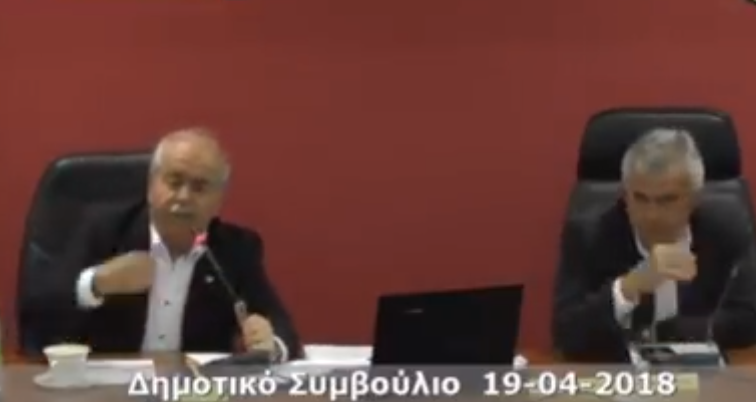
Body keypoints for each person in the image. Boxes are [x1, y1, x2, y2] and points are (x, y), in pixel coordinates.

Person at [19, 128, 302, 360]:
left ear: (219, 200)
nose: (184, 197)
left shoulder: (234, 249)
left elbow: (280, 326)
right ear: (151, 185)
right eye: (174, 182)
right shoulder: (105, 230)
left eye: (200, 187)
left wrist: (271, 344)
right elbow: (39, 319)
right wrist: (95, 284)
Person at [552, 127, 756, 362]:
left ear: (694, 198)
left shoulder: (725, 231)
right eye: (640, 198)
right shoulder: (589, 236)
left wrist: (676, 334)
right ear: (625, 196)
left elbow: (748, 318)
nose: (652, 215)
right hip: (619, 376)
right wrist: (627, 288)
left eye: (667, 200)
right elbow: (566, 335)